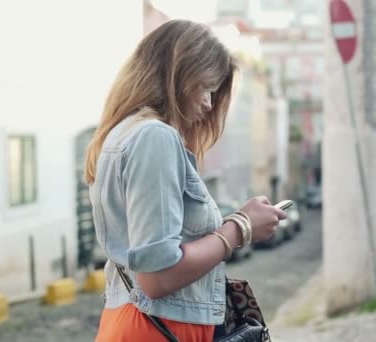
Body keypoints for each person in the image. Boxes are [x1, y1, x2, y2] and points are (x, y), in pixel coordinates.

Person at [84, 20, 287, 342]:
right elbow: (157, 275)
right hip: (159, 329)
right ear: (179, 75)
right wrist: (240, 227)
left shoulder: (123, 134)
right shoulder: (154, 137)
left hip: (144, 323)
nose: (209, 104)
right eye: (207, 87)